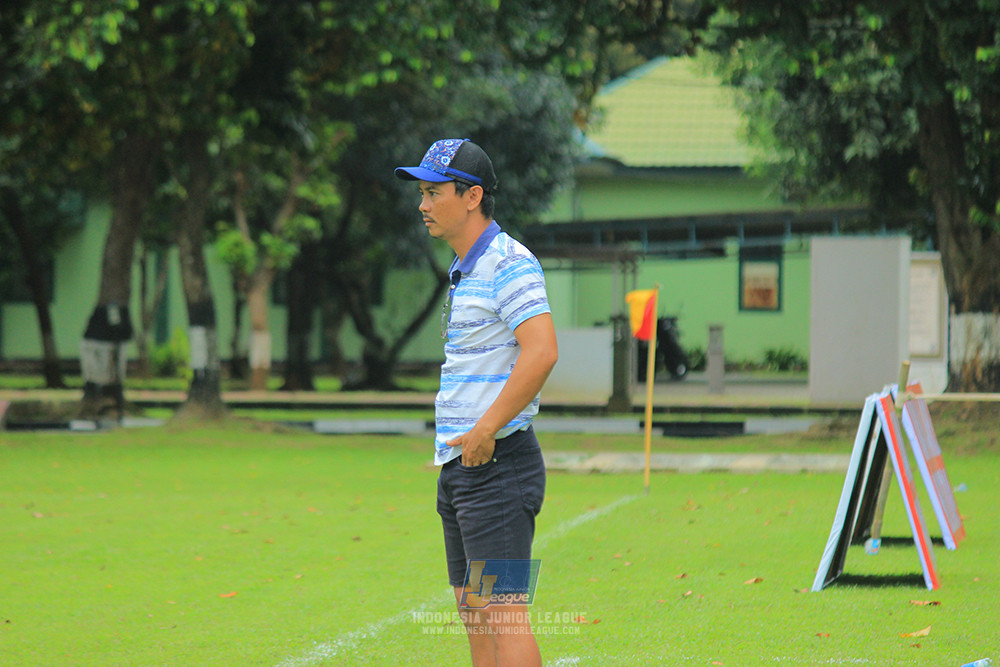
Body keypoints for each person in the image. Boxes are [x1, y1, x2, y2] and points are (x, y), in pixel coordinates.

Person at [395, 138, 558, 667]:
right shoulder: (466, 267)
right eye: (421, 192)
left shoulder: (509, 263)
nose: (422, 205)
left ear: (472, 196)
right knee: (474, 610)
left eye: (433, 192)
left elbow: (542, 352)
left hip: (498, 467)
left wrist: (486, 427)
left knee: (502, 613)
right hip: (463, 465)